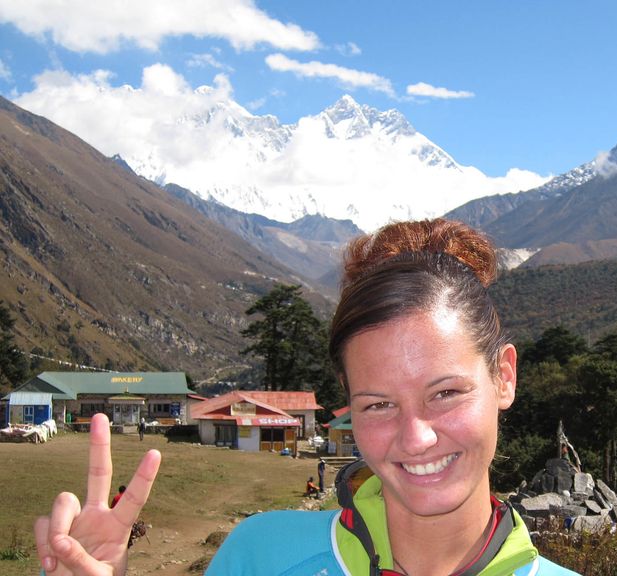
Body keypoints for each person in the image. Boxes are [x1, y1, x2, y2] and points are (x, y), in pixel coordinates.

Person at [35, 218, 577, 576]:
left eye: (446, 393)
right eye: (379, 404)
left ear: (504, 377)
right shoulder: (261, 556)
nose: (416, 438)